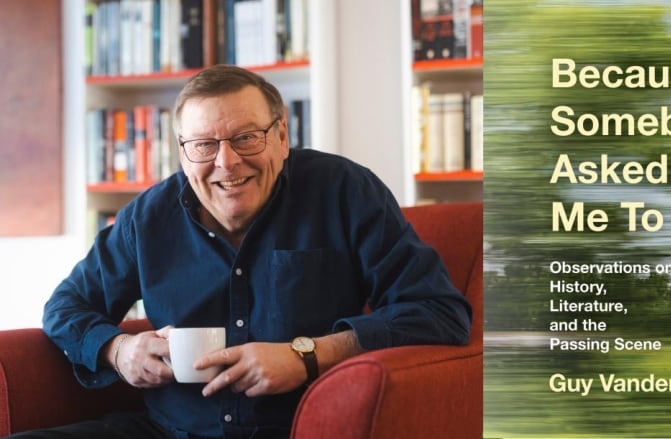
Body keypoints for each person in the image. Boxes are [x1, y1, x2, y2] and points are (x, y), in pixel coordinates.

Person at [11, 65, 471, 439]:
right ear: (183, 152)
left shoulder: (344, 191)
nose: (226, 163)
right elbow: (66, 306)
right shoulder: (147, 216)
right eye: (204, 145)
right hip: (167, 429)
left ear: (282, 136)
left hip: (298, 429)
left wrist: (305, 355)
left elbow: (438, 312)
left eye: (247, 137)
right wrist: (118, 349)